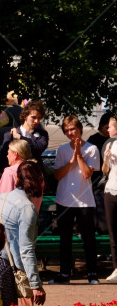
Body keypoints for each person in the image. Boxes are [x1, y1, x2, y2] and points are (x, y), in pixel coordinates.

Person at [0, 160, 46, 306]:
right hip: (3, 268)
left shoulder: (1, 197)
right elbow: (26, 249)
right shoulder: (27, 208)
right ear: (40, 181)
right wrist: (35, 285)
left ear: (17, 179)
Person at [50, 115, 100, 285]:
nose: (71, 133)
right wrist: (71, 159)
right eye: (67, 130)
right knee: (65, 239)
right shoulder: (62, 150)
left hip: (85, 201)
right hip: (64, 199)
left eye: (73, 129)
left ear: (80, 128)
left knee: (88, 238)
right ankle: (64, 274)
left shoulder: (92, 149)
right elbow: (57, 175)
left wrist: (78, 155)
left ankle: (92, 273)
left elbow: (87, 174)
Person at [0, 100, 49, 172]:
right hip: (16, 176)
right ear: (25, 116)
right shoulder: (9, 135)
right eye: (33, 117)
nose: (37, 121)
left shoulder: (42, 134)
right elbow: (3, 158)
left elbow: (39, 147)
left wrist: (20, 138)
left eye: (39, 118)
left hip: (36, 176)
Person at [0, 138, 42, 210]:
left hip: (13, 218)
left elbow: (2, 199)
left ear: (15, 154)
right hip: (33, 216)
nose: (7, 156)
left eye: (8, 153)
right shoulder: (36, 171)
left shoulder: (10, 172)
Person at [102, 116, 117, 283]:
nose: (108, 129)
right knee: (113, 231)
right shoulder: (110, 144)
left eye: (111, 126)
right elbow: (104, 171)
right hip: (111, 190)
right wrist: (106, 158)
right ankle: (116, 268)